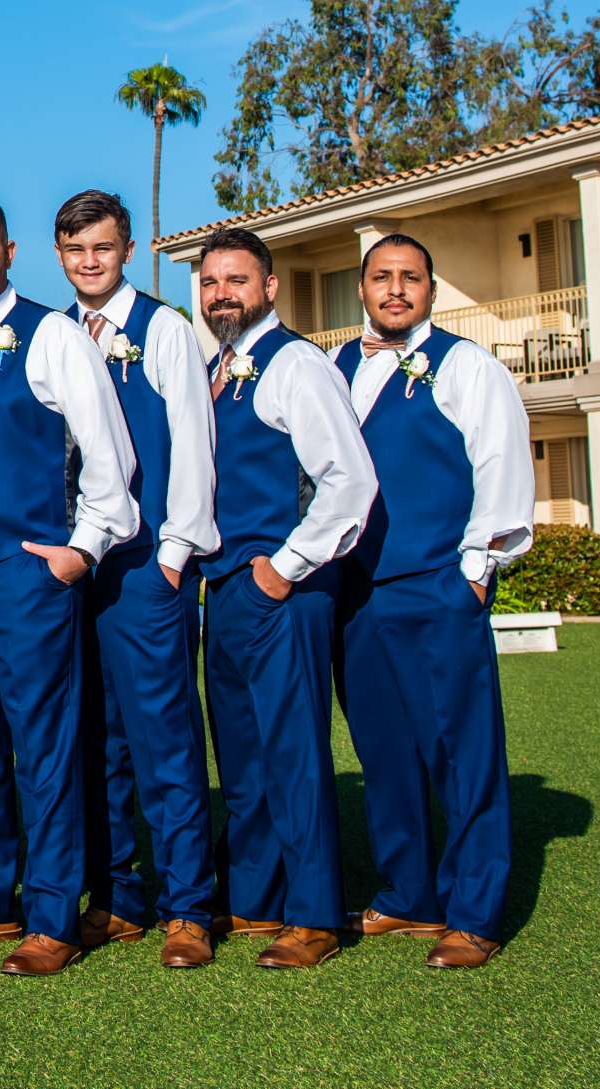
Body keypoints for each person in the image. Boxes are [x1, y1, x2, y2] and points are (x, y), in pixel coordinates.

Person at [0, 194, 139, 977]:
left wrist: (80, 549)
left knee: (46, 750)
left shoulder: (54, 334)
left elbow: (112, 458)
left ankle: (52, 914)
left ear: (8, 251)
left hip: (26, 576)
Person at [331, 233, 532, 971]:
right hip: (355, 597)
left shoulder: (468, 366)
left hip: (437, 585)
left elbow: (501, 464)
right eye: (381, 276)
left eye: (409, 277)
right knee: (384, 750)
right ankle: (409, 890)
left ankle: (475, 910)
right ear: (361, 288)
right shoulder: (335, 365)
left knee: (462, 752)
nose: (394, 289)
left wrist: (474, 574)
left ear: (430, 288)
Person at [194, 227, 378, 970]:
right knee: (242, 753)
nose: (221, 294)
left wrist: (285, 566)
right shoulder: (217, 368)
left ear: (270, 287)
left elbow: (350, 482)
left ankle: (313, 912)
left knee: (294, 751)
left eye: (236, 280)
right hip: (226, 589)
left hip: (282, 590)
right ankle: (258, 892)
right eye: (209, 283)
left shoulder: (295, 363)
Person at [52, 190, 220, 970]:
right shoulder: (55, 333)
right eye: (76, 249)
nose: (90, 261)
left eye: (103, 247)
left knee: (165, 738)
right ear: (60, 254)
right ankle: (119, 896)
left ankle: (188, 904)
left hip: (148, 566)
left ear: (127, 249)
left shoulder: (165, 329)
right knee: (97, 737)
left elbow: (192, 441)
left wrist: (174, 553)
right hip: (73, 571)